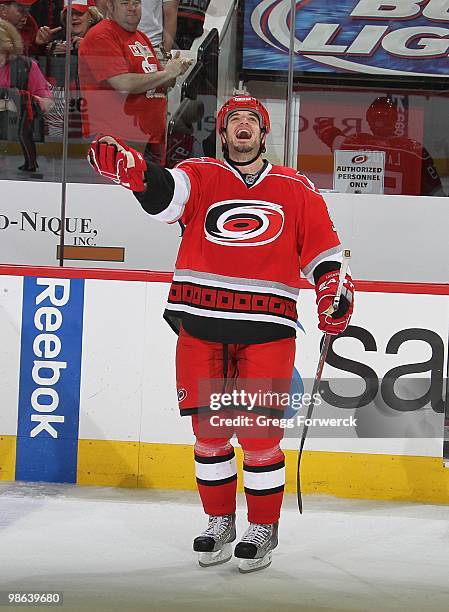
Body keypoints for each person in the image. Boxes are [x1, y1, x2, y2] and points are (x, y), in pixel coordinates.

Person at [86, 94, 354, 573]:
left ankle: (263, 528)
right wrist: (137, 174)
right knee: (208, 433)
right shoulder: (202, 173)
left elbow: (324, 253)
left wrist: (333, 289)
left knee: (258, 433)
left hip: (266, 328)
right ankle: (219, 522)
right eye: (235, 121)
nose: (243, 127)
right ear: (224, 133)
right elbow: (168, 195)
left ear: (263, 132)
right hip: (200, 321)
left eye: (252, 120)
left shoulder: (296, 187)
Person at [78, 0, 191, 165]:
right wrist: (167, 73)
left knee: (150, 190)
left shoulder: (141, 37)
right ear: (110, 6)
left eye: (136, 3)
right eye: (125, 3)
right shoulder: (102, 35)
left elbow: (160, 85)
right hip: (118, 138)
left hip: (149, 138)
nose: (132, 8)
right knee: (120, 190)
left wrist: (174, 72)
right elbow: (123, 84)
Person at [315, 96, 445, 197]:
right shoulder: (414, 149)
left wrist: (325, 126)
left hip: (365, 212)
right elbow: (437, 193)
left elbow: (331, 136)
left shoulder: (354, 143)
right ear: (395, 119)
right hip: (405, 215)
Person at [44, 0, 103, 139]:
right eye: (70, 13)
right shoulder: (57, 39)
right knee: (57, 143)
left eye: (79, 13)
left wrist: (88, 48)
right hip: (61, 108)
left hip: (94, 105)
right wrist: (45, 47)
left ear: (91, 16)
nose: (74, 17)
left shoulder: (103, 36)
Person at [0, 17, 52, 171]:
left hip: (24, 109)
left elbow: (47, 101)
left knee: (24, 134)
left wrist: (27, 99)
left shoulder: (26, 65)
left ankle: (31, 163)